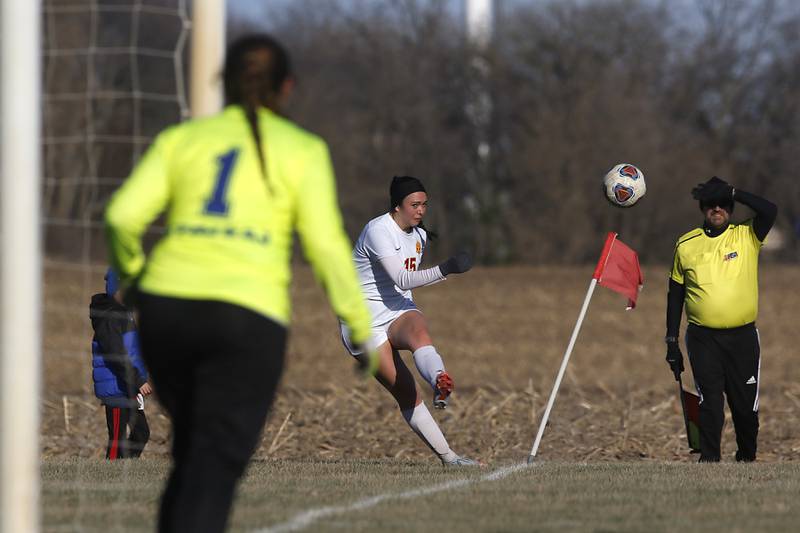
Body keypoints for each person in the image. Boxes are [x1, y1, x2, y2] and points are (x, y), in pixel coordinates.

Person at [104, 34, 376, 533]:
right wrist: (360, 326)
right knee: (214, 465)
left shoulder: (182, 140)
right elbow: (327, 248)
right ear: (287, 88)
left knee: (193, 458)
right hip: (246, 320)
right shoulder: (303, 150)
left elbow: (121, 216)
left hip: (167, 313)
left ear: (221, 83)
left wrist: (139, 277)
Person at [340, 175, 479, 466]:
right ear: (397, 206)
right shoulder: (378, 230)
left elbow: (404, 287)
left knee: (418, 328)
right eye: (414, 204)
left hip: (396, 309)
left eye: (424, 205)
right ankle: (449, 458)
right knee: (407, 392)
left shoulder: (419, 235)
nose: (420, 210)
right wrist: (447, 268)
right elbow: (401, 278)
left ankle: (439, 379)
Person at [665, 176, 777, 462]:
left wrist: (734, 192)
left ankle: (747, 458)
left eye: (723, 204)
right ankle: (710, 462)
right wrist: (671, 340)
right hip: (703, 338)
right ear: (702, 208)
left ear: (731, 207)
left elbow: (770, 210)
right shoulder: (685, 244)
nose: (717, 209)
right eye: (711, 205)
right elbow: (675, 295)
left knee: (744, 408)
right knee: (710, 403)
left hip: (743, 338)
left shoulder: (747, 234)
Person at [90, 267, 152, 460]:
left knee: (141, 433)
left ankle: (126, 467)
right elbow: (116, 354)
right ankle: (112, 472)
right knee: (117, 438)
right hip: (116, 386)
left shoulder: (126, 313)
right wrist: (138, 380)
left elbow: (132, 349)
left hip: (129, 385)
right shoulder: (109, 317)